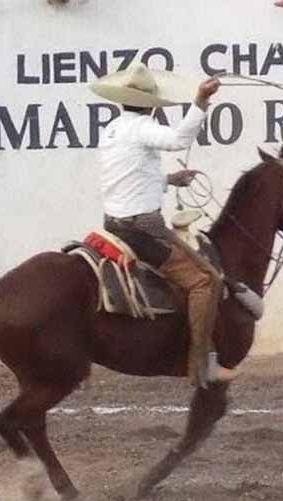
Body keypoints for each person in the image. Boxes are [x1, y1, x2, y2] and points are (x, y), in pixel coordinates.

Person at [91, 62, 236, 388]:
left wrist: (169, 179)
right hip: (143, 228)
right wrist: (200, 100)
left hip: (114, 223)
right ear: (148, 104)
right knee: (206, 281)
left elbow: (130, 176)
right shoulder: (142, 127)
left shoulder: (113, 129)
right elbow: (179, 139)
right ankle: (200, 367)